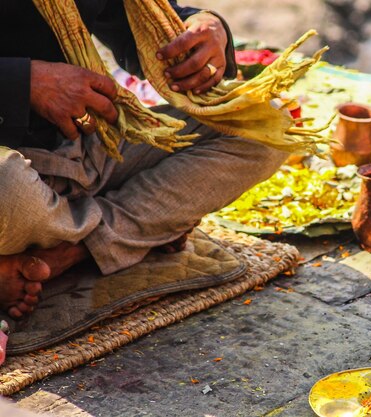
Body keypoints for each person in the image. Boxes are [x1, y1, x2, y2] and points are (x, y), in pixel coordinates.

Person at [0, 1, 287, 319]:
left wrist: (205, 30)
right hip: (10, 168)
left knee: (267, 124)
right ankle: (143, 227)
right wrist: (27, 82)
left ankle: (74, 250)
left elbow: (145, 29)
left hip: (88, 143)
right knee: (6, 184)